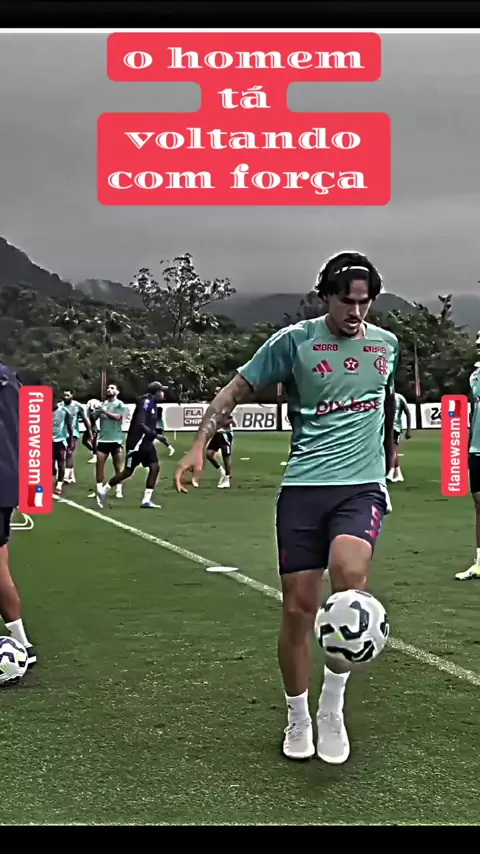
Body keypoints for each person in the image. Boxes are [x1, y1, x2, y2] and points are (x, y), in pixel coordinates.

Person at [175, 250, 398, 765]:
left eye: (365, 303)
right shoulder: (293, 342)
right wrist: (198, 444)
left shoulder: (386, 346)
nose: (356, 312)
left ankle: (332, 707)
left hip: (360, 487)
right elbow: (232, 392)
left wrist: (389, 454)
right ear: (326, 297)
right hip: (303, 490)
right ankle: (298, 715)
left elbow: (384, 405)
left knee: (350, 580)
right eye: (347, 301)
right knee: (299, 609)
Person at [0, 363, 36, 666]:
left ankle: (23, 644)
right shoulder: (10, 377)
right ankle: (22, 642)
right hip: (9, 478)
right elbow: (31, 428)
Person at [97, 381, 166, 509]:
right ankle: (103, 490)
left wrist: (155, 433)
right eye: (162, 391)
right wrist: (155, 435)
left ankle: (146, 500)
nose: (163, 394)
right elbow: (141, 423)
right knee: (128, 471)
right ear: (157, 392)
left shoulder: (152, 403)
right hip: (137, 443)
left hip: (146, 442)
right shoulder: (146, 403)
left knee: (154, 467)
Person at [455, 354, 480, 580]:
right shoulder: (475, 376)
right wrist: (468, 445)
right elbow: (474, 413)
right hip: (477, 449)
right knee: (479, 503)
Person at [86, 385, 129, 505]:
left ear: (117, 392)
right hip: (103, 440)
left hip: (116, 440)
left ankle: (119, 490)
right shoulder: (102, 404)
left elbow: (118, 417)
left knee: (118, 468)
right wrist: (92, 412)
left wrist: (103, 411)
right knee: (99, 466)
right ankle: (99, 490)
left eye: (112, 388)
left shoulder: (120, 404)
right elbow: (93, 419)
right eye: (108, 388)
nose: (109, 390)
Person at [61, 390, 93, 483]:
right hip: (61, 433)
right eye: (64, 395)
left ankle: (65, 476)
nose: (65, 397)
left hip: (73, 433)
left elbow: (85, 419)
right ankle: (71, 476)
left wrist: (90, 432)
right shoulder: (60, 406)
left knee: (69, 452)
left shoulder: (77, 406)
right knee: (63, 455)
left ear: (72, 395)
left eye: (67, 395)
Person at [386, 392, 412, 483]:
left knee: (393, 448)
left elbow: (408, 412)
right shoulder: (384, 396)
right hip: (385, 427)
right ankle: (397, 472)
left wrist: (408, 429)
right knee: (391, 449)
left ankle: (391, 471)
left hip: (395, 428)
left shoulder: (399, 397)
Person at [53, 399, 74, 495]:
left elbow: (70, 426)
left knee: (61, 463)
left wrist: (71, 441)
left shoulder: (64, 411)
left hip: (60, 441)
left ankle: (59, 485)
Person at [155, 389, 175, 457]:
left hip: (158, 426)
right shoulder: (156, 408)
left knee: (160, 439)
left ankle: (170, 448)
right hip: (156, 426)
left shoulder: (158, 410)